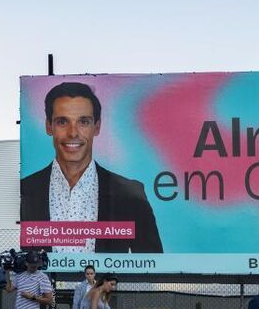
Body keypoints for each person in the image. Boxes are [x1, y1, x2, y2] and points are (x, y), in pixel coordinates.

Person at [20, 82, 163, 253]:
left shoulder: (130, 193)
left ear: (97, 126)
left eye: (84, 121)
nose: (73, 133)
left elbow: (153, 264)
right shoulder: (26, 189)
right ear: (49, 126)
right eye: (62, 121)